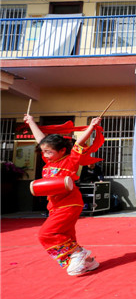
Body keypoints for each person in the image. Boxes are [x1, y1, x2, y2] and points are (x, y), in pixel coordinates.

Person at [23, 114, 102, 276]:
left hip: (69, 203)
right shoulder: (49, 162)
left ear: (62, 151)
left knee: (46, 234)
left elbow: (79, 143)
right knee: (66, 235)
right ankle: (89, 262)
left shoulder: (70, 160)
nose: (45, 155)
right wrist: (31, 122)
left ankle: (78, 253)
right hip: (55, 205)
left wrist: (92, 126)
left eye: (49, 152)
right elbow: (41, 139)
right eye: (43, 152)